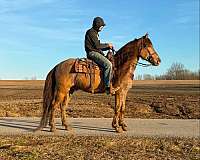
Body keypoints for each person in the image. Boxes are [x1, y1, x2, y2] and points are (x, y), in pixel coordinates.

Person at [84, 16, 119, 94]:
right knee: (108, 64)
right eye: (101, 26)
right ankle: (107, 87)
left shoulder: (95, 33)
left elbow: (98, 46)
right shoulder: (91, 32)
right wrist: (108, 45)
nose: (102, 27)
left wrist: (107, 47)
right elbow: (97, 46)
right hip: (92, 53)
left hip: (95, 51)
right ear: (97, 25)